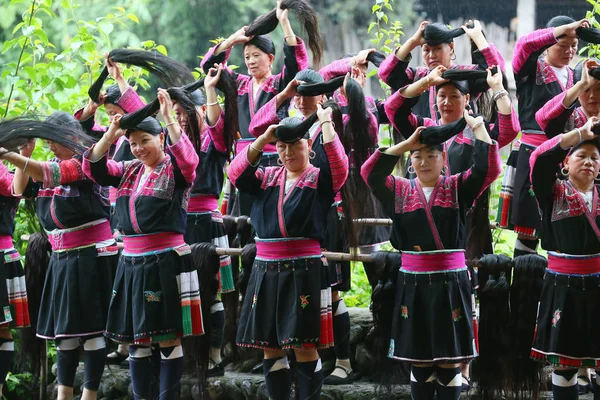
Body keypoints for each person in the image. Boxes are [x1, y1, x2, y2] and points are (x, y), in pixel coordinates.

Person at [361, 110, 501, 400]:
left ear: (444, 160)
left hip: (450, 283)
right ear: (410, 162)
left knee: (449, 361)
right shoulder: (398, 189)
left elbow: (488, 171)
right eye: (417, 156)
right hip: (413, 284)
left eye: (431, 155)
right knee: (420, 361)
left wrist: (478, 129)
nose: (424, 162)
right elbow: (369, 174)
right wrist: (405, 144)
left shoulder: (457, 187)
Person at [82, 89, 202, 399]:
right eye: (133, 143)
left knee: (166, 338)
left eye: (144, 142)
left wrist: (168, 120)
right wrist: (111, 132)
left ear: (160, 139)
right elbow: (93, 167)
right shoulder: (128, 171)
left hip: (165, 260)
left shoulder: (175, 171)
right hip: (132, 263)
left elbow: (189, 159)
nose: (138, 149)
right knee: (137, 339)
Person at [228, 103, 348, 399]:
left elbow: (340, 168)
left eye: (294, 145)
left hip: (304, 270)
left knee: (304, 346)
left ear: (309, 145)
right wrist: (263, 138)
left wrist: (326, 124)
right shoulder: (266, 177)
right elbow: (236, 174)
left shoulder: (320, 178)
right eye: (281, 146)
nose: (287, 153)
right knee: (271, 347)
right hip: (266, 271)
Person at [4, 112, 117, 400]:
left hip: (92, 255)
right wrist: (24, 154)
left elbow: (47, 174)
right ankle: (64, 395)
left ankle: (89, 395)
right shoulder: (50, 164)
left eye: (54, 140)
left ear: (72, 137)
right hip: (62, 257)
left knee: (92, 330)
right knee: (64, 332)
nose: (50, 147)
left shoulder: (88, 163)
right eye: (47, 142)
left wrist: (6, 154)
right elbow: (20, 189)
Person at [497, 16, 589, 258]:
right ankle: (525, 290)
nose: (570, 51)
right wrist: (561, 30)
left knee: (563, 225)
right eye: (563, 44)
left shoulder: (576, 77)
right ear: (548, 42)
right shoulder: (529, 69)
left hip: (568, 156)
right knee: (529, 231)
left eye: (574, 45)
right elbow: (524, 45)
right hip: (533, 155)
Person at [529, 116, 600, 400]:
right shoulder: (552, 192)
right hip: (562, 289)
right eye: (581, 156)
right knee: (565, 366)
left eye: (595, 157)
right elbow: (538, 160)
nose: (588, 162)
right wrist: (578, 134)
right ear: (566, 164)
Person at [172, 65, 236, 376]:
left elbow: (216, 123)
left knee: (211, 292)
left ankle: (214, 356)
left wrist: (210, 91)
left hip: (208, 221)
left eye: (187, 111)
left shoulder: (215, 142)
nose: (182, 118)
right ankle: (188, 357)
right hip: (179, 224)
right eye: (177, 113)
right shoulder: (174, 144)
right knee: (184, 290)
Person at [378, 20, 504, 124]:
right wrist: (413, 42)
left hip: (459, 149)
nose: (432, 55)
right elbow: (386, 74)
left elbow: (495, 72)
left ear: (451, 48)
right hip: (425, 150)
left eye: (437, 48)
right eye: (426, 50)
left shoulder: (464, 75)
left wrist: (478, 36)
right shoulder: (417, 77)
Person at [0, 161, 30, 396]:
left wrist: (23, 155)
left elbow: (14, 188)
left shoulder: (7, 173)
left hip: (1, 258)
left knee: (2, 330)